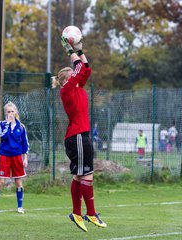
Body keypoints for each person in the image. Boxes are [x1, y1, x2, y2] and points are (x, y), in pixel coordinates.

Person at [52, 36, 107, 232]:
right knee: (88, 175)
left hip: (78, 136)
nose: (78, 75)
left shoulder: (77, 87)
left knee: (78, 176)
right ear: (66, 79)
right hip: (77, 137)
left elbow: (86, 69)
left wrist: (81, 50)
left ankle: (76, 213)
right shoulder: (67, 88)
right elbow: (78, 67)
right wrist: (70, 50)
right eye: (72, 73)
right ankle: (90, 213)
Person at [0, 102, 29, 214]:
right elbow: (3, 136)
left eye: (12, 111)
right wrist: (9, 124)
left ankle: (20, 207)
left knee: (18, 181)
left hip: (17, 156)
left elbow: (25, 144)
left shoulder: (21, 127)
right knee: (0, 181)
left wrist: (25, 158)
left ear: (16, 112)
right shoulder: (1, 124)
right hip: (5, 155)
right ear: (5, 113)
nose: (10, 113)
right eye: (8, 111)